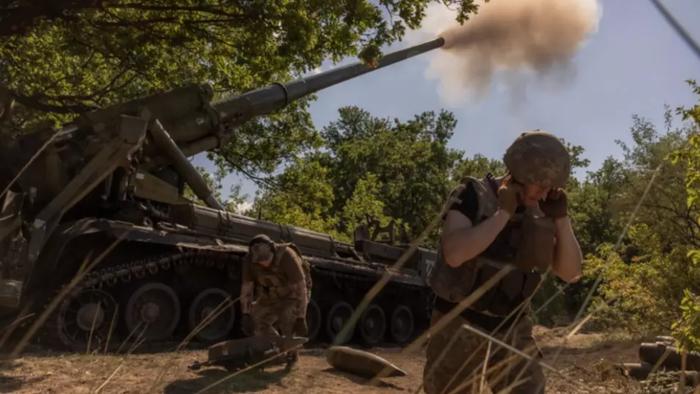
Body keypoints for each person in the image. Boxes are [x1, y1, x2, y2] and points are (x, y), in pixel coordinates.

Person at [423, 131, 583, 394]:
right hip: (459, 323)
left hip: (512, 328)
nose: (545, 192)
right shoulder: (473, 194)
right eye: (540, 183)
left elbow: (571, 273)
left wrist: (562, 221)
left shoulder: (543, 210)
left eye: (551, 186)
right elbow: (454, 254)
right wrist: (503, 214)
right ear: (519, 173)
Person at [239, 234, 311, 367]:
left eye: (266, 259)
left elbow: (301, 289)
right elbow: (247, 290)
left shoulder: (287, 256)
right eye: (260, 261)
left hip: (293, 295)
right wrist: (246, 314)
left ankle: (291, 354)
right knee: (256, 318)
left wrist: (301, 318)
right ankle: (275, 351)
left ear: (272, 250)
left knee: (288, 317)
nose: (264, 263)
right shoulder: (249, 260)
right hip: (271, 294)